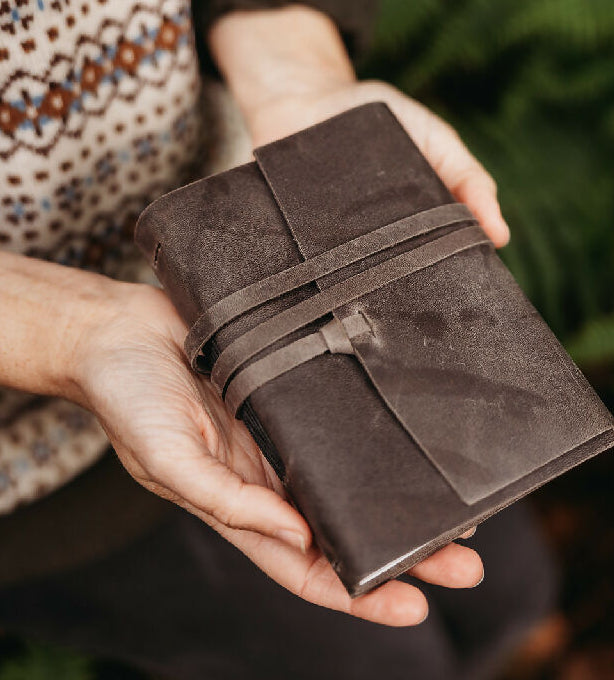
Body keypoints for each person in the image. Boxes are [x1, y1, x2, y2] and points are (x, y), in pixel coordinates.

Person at [0, 1, 556, 677]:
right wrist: (70, 334)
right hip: (56, 458)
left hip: (278, 225)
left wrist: (296, 72)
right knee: (377, 662)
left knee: (506, 587)